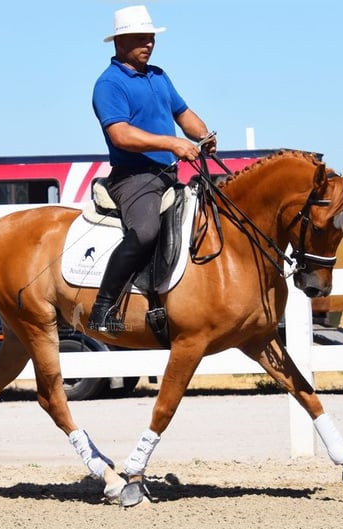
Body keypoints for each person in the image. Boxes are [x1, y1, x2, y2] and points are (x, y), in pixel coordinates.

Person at [89, 4, 216, 334]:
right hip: (133, 178)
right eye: (141, 38)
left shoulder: (159, 76)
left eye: (151, 38)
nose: (149, 43)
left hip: (167, 176)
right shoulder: (109, 84)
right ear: (120, 43)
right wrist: (172, 144)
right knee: (145, 231)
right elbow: (120, 134)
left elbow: (183, 113)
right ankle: (103, 307)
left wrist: (202, 134)